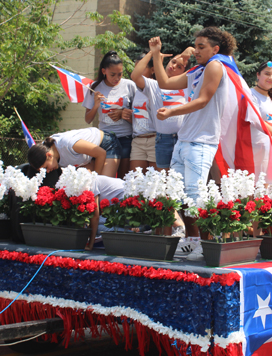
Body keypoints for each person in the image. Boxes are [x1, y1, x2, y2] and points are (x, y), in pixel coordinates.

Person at [149, 27, 234, 261]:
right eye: (195, 46)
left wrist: (173, 110)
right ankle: (193, 240)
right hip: (183, 142)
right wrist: (156, 54)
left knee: (196, 197)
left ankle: (207, 244)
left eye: (201, 47)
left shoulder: (216, 66)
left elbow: (204, 100)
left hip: (202, 142)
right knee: (178, 195)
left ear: (215, 49)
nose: (195, 51)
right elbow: (165, 82)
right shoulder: (198, 70)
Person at [130, 48, 193, 238]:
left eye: (180, 66)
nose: (174, 66)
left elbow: (199, 69)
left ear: (185, 71)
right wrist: (152, 53)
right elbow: (135, 74)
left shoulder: (187, 85)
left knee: (183, 186)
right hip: (164, 141)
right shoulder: (154, 85)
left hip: (183, 141)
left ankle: (186, 229)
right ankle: (166, 231)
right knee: (163, 186)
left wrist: (188, 55)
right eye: (172, 62)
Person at [82, 51, 136, 178]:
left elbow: (139, 115)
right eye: (113, 74)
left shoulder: (129, 85)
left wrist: (123, 113)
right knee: (106, 177)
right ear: (103, 71)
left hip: (126, 137)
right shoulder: (94, 87)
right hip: (106, 138)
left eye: (120, 74)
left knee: (124, 178)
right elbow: (88, 119)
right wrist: (96, 105)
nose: (117, 78)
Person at [27, 127, 121, 177]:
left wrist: (96, 178)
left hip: (106, 145)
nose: (47, 171)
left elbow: (101, 153)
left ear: (49, 155)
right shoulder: (44, 150)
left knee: (103, 185)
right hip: (87, 157)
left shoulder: (68, 144)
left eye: (46, 167)